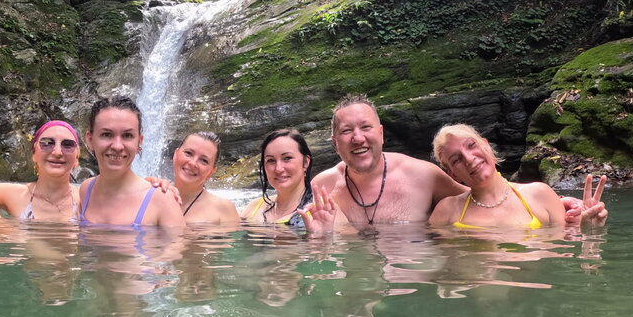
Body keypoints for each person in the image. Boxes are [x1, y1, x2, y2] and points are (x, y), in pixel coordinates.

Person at [312, 94, 607, 229]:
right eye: (346, 131)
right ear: (334, 142)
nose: (358, 138)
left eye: (365, 128)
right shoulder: (321, 187)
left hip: (412, 284)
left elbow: (483, 186)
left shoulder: (424, 175)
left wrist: (555, 203)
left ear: (381, 132)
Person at [428, 124, 569, 228]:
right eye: (456, 160)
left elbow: (565, 251)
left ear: (486, 146)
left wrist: (588, 223)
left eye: (471, 145)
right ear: (453, 174)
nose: (469, 158)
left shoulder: (540, 195)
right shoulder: (446, 212)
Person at [79, 96, 185, 229]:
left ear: (139, 141)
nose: (117, 146)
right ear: (90, 139)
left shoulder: (162, 200)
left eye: (127, 136)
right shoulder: (86, 190)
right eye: (106, 134)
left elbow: (179, 249)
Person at [240, 128, 316, 227]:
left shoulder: (322, 210)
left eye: (287, 158)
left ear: (305, 162)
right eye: (271, 160)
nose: (278, 169)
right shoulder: (254, 208)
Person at [170, 132, 241, 227]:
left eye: (204, 160)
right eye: (188, 153)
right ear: (175, 155)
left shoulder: (223, 208)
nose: (193, 163)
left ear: (211, 172)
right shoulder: (154, 196)